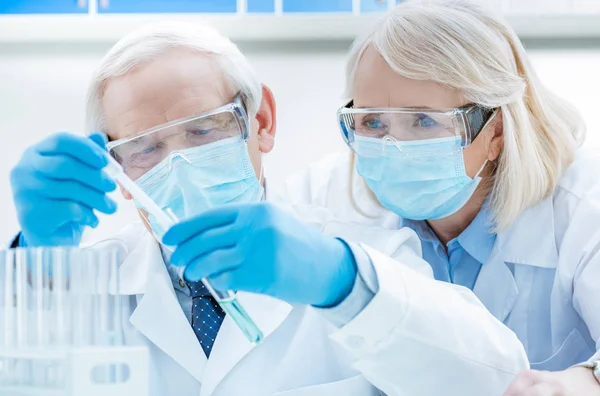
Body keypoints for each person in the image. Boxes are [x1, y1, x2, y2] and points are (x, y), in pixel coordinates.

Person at [9, 21, 527, 396]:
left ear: (261, 122)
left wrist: (344, 284)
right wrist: (34, 259)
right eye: (145, 148)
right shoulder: (79, 285)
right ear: (116, 168)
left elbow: (497, 380)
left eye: (203, 129)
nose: (182, 163)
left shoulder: (364, 255)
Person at [275, 0, 600, 395]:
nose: (393, 145)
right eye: (373, 122)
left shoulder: (584, 209)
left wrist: (579, 382)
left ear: (494, 131)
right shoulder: (328, 197)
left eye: (423, 121)